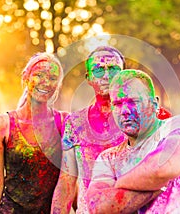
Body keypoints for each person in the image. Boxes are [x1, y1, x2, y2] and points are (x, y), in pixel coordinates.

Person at [86, 69, 180, 213]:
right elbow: (97, 207)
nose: (125, 111)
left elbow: (164, 166)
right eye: (117, 104)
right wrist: (157, 184)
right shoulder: (108, 158)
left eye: (133, 101)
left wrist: (119, 183)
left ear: (155, 104)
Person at [0, 52, 68, 213]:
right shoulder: (2, 125)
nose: (45, 83)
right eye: (39, 75)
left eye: (52, 78)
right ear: (25, 77)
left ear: (58, 84)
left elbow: (69, 182)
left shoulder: (64, 123)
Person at [51, 46, 128, 213]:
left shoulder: (139, 118)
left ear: (124, 74)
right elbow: (66, 183)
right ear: (89, 78)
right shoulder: (75, 124)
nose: (107, 76)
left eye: (114, 69)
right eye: (99, 70)